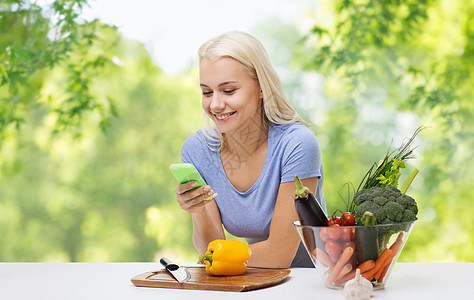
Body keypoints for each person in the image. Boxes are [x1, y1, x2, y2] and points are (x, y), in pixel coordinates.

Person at [174, 31, 326, 268]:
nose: (215, 104)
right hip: (249, 281)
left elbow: (279, 255)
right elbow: (211, 250)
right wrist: (198, 208)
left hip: (312, 281)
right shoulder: (197, 151)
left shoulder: (297, 144)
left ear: (262, 87)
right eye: (206, 92)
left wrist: (216, 259)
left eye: (229, 90)